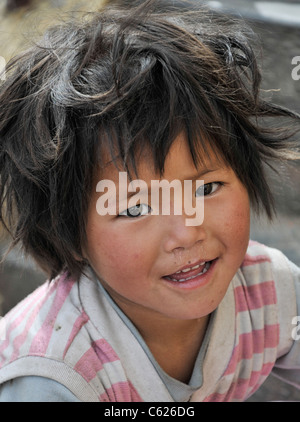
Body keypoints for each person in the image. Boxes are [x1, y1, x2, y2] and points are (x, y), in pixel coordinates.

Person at [0, 0, 299, 402]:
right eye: (136, 208)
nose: (187, 231)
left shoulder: (271, 290)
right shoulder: (55, 377)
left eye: (204, 189)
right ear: (67, 234)